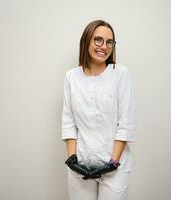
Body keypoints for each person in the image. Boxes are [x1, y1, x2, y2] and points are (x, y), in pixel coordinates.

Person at [61, 19, 135, 200]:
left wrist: (113, 163)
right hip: (81, 165)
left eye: (109, 42)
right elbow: (69, 121)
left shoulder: (120, 74)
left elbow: (125, 123)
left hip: (114, 168)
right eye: (98, 40)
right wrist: (72, 161)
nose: (104, 46)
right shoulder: (71, 77)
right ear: (86, 41)